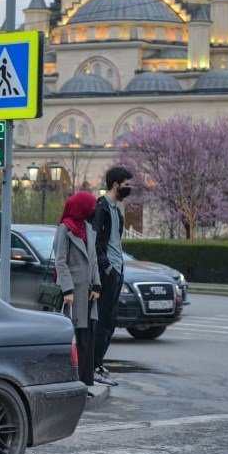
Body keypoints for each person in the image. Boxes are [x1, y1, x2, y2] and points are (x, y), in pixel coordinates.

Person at [90, 166, 133, 386]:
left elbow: (116, 241)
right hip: (108, 272)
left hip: (117, 269)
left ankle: (98, 364)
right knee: (102, 320)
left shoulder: (116, 209)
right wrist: (106, 268)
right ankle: (93, 365)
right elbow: (97, 242)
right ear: (116, 185)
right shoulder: (101, 208)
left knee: (110, 321)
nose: (129, 188)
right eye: (126, 184)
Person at [54, 191, 101, 391]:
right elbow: (60, 262)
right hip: (73, 295)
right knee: (73, 338)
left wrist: (97, 284)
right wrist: (67, 290)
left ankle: (84, 382)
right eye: (91, 206)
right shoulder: (65, 229)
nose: (93, 209)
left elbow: (94, 259)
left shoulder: (88, 228)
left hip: (89, 293)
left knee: (86, 339)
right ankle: (71, 383)